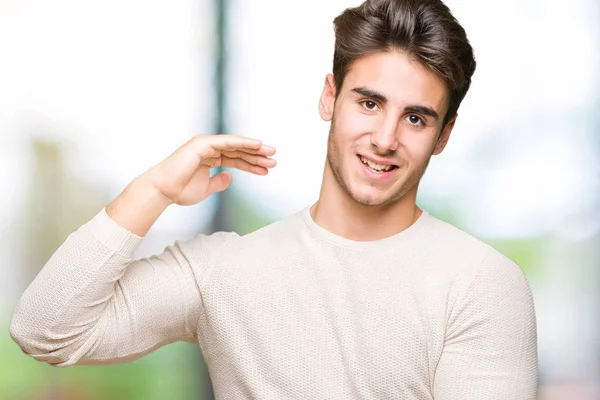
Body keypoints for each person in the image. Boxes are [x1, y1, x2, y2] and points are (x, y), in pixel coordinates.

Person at [9, 0, 538, 398]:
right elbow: (45, 330)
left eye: (416, 118)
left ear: (443, 136)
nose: (385, 137)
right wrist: (154, 190)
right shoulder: (223, 272)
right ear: (330, 96)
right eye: (370, 102)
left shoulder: (481, 283)